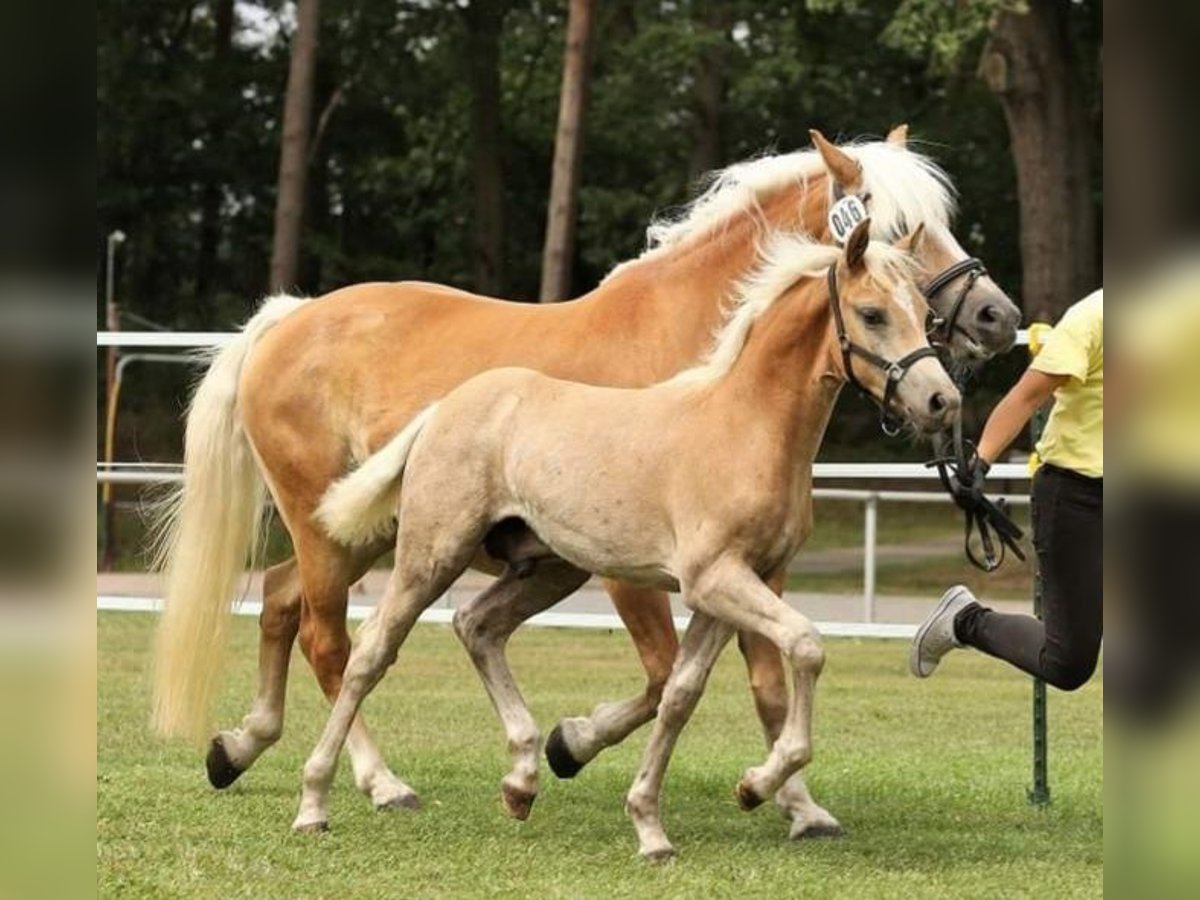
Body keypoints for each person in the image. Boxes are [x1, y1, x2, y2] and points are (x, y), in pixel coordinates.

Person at [910, 289, 1103, 691]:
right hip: (1080, 494)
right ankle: (965, 620)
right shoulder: (1096, 315)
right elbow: (1028, 395)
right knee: (1067, 663)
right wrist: (978, 464)